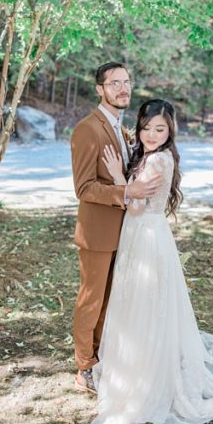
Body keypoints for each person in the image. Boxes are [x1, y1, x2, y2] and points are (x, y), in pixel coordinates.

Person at [90, 99, 213, 424]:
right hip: (143, 235)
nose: (151, 134)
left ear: (170, 132)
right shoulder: (151, 157)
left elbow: (136, 209)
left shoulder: (159, 160)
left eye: (160, 129)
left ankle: (147, 375)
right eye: (147, 128)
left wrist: (114, 177)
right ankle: (136, 364)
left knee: (147, 303)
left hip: (146, 235)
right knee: (142, 302)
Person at [70, 62, 159, 393]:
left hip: (124, 231)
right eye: (115, 83)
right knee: (91, 300)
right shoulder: (87, 129)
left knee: (111, 300)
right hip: (96, 234)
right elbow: (84, 188)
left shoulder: (121, 129)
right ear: (99, 89)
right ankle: (84, 368)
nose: (123, 89)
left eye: (127, 82)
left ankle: (102, 357)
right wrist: (126, 191)